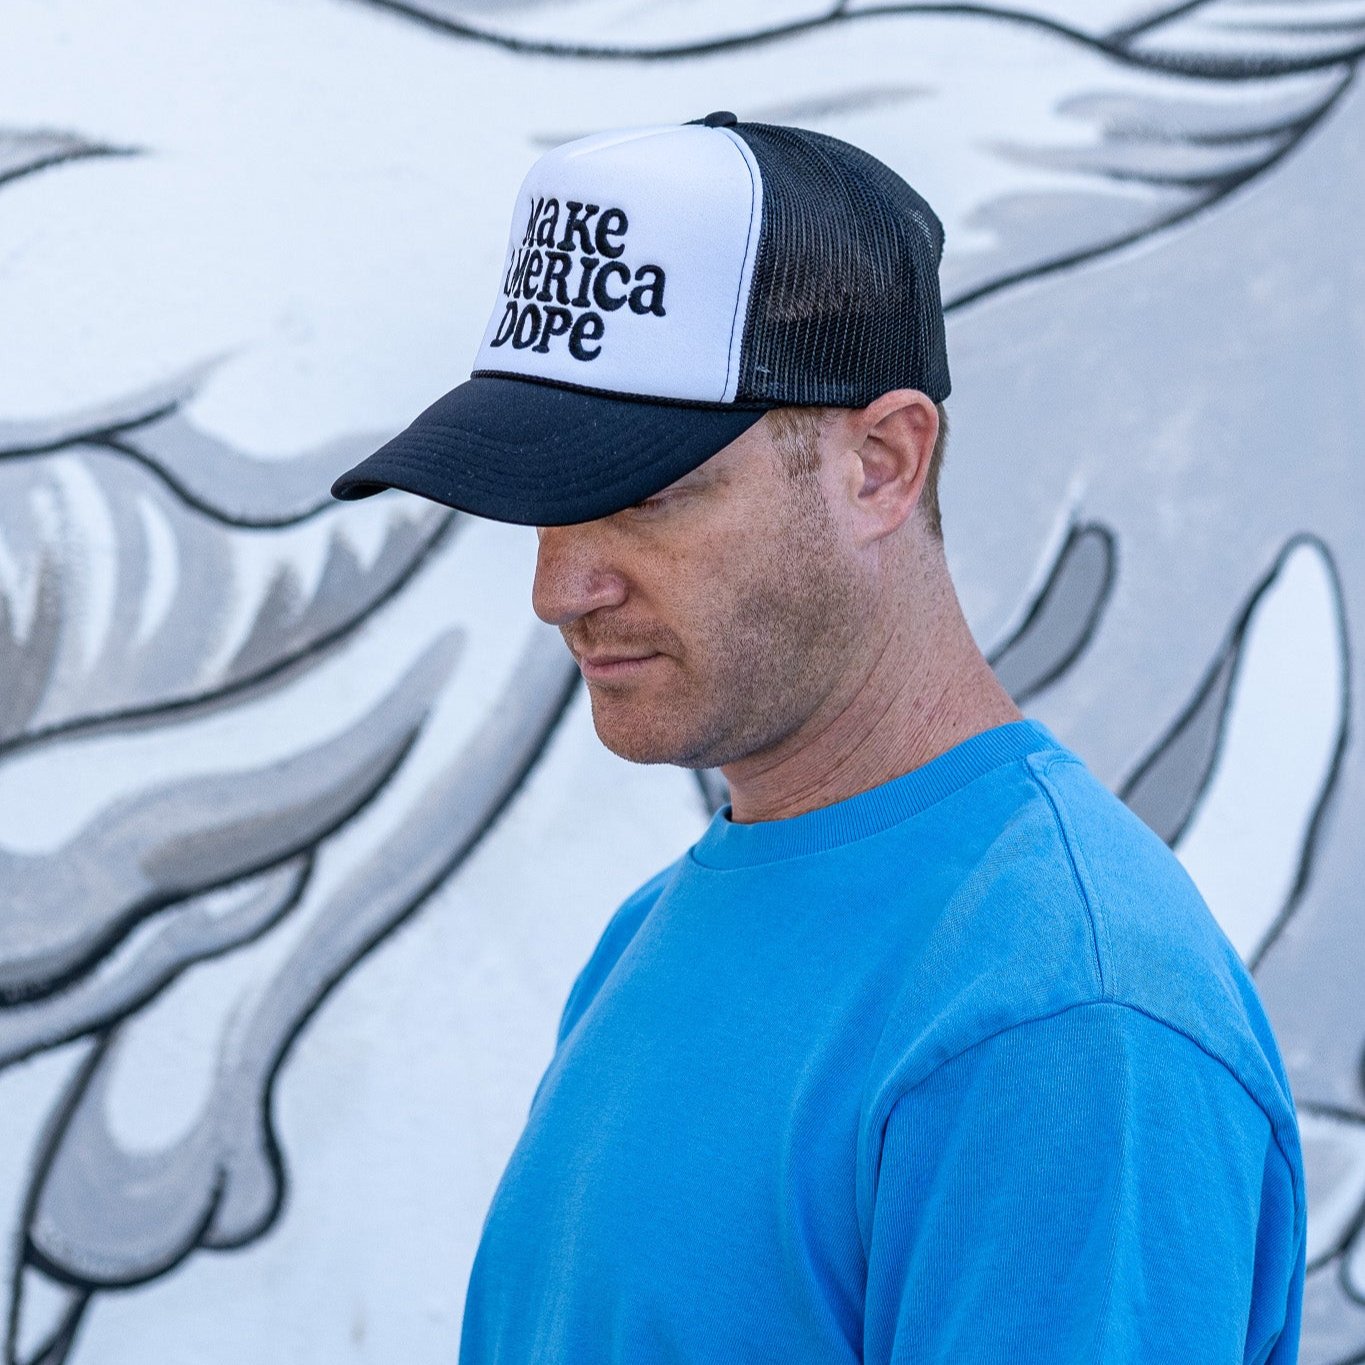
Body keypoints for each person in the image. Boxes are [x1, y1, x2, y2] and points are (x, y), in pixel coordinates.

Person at [331, 112, 1306, 1363]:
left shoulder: (1064, 1017)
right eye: (546, 504)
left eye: (644, 491)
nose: (560, 587)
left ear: (882, 465)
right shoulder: (662, 928)